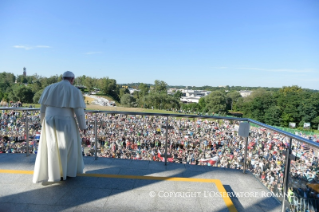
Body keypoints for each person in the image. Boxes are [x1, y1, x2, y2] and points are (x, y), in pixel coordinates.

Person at [33, 71, 87, 183]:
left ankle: (52, 173)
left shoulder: (49, 88)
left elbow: (42, 109)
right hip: (66, 123)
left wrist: (43, 122)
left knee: (51, 147)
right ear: (72, 79)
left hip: (49, 121)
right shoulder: (75, 91)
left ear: (62, 78)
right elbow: (79, 112)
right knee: (67, 147)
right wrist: (83, 127)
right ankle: (66, 172)